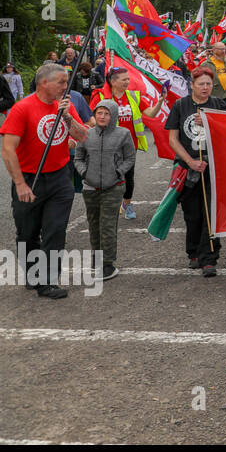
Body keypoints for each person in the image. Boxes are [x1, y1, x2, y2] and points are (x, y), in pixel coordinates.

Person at [1, 63, 90, 297]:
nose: (66, 86)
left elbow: (83, 137)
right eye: (61, 82)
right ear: (44, 83)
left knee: (55, 230)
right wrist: (20, 183)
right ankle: (33, 275)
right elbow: (8, 149)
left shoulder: (65, 106)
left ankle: (47, 281)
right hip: (31, 177)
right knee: (27, 232)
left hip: (60, 177)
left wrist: (68, 118)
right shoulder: (23, 108)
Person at [166, 66, 226, 277]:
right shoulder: (180, 106)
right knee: (192, 215)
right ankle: (193, 252)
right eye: (201, 84)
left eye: (209, 84)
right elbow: (173, 139)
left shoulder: (218, 105)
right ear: (191, 85)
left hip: (212, 167)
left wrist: (211, 123)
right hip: (187, 168)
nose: (205, 88)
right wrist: (190, 161)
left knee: (210, 213)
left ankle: (209, 258)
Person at [89, 66, 161, 220]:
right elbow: (91, 118)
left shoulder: (133, 96)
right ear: (113, 81)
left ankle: (127, 203)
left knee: (128, 176)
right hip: (108, 144)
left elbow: (150, 113)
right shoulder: (101, 96)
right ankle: (108, 205)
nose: (128, 82)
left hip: (129, 145)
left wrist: (160, 101)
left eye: (128, 79)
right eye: (124, 79)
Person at [74, 100, 134, 281]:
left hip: (113, 187)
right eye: (99, 113)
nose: (102, 116)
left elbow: (130, 158)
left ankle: (107, 264)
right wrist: (85, 173)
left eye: (106, 113)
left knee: (107, 225)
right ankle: (96, 259)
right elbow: (78, 158)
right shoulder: (86, 133)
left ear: (113, 116)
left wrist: (118, 172)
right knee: (94, 225)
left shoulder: (123, 134)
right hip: (90, 188)